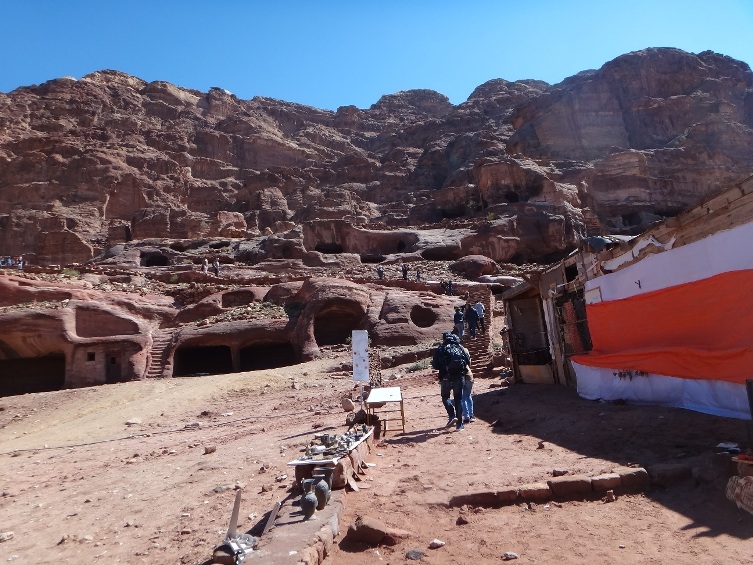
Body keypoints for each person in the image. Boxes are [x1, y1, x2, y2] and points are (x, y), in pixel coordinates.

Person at [431, 332, 471, 431]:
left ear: (444, 339)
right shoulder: (460, 347)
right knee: (458, 398)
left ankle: (452, 415)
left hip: (446, 377)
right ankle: (459, 425)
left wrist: (443, 368)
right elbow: (467, 361)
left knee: (445, 397)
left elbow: (435, 365)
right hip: (459, 376)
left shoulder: (441, 348)